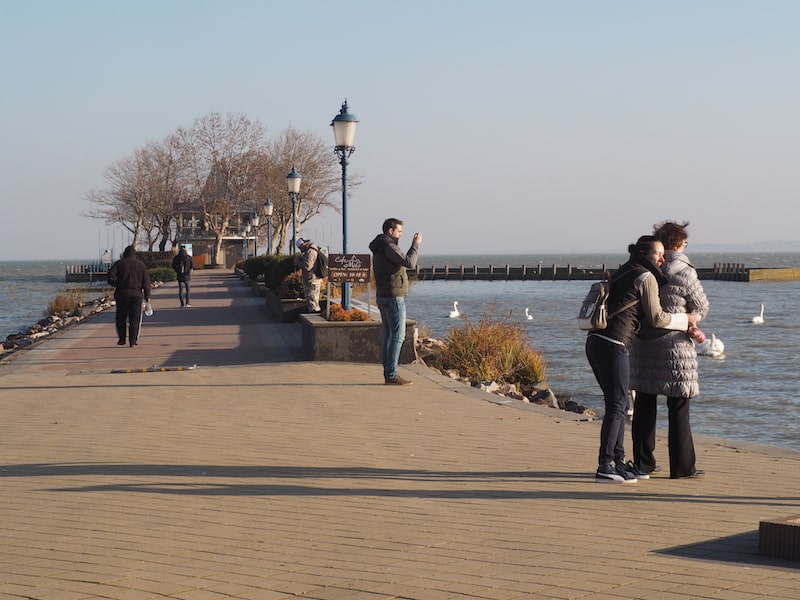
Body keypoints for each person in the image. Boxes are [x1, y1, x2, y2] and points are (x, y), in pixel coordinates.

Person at [585, 236, 700, 484]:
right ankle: (605, 465)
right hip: (614, 343)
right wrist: (685, 320)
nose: (663, 258)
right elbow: (657, 318)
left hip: (595, 341)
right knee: (617, 406)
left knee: (615, 403)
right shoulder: (645, 277)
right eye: (658, 254)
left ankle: (618, 461)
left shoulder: (624, 270)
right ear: (646, 254)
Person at [630, 221, 710, 479]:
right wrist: (690, 318)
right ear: (679, 244)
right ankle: (682, 467)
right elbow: (701, 306)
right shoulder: (685, 271)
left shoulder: (645, 267)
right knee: (678, 407)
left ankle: (643, 464)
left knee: (644, 404)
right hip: (675, 346)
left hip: (643, 344)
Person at [369, 218, 422, 386]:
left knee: (389, 334)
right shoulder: (389, 246)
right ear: (390, 231)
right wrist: (415, 244)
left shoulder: (379, 246)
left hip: (383, 294)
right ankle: (391, 374)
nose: (401, 234)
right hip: (393, 296)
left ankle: (389, 372)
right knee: (397, 336)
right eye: (399, 231)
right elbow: (409, 262)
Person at [107, 245, 151, 347]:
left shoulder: (119, 264)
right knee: (134, 319)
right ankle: (133, 341)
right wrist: (147, 296)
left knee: (121, 318)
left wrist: (117, 283)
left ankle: (122, 339)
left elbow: (110, 277)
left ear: (124, 253)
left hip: (122, 295)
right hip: (137, 295)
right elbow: (146, 282)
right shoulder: (141, 265)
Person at [294, 238, 322, 313]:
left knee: (312, 298)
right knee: (314, 298)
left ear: (303, 244)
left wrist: (298, 262)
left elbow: (307, 266)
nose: (300, 250)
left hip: (312, 279)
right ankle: (314, 312)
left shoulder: (310, 252)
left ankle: (314, 314)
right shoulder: (313, 249)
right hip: (314, 278)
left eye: (300, 248)